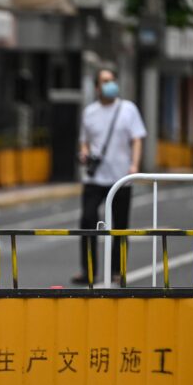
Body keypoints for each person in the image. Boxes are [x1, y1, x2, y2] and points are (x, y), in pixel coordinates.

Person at [72, 68, 146, 285]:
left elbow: (137, 139)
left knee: (120, 226)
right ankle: (88, 270)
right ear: (96, 87)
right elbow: (84, 141)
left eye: (112, 80)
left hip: (121, 178)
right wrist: (84, 153)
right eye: (105, 81)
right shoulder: (90, 112)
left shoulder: (128, 109)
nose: (110, 85)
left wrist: (134, 165)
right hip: (94, 178)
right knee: (87, 221)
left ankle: (117, 270)